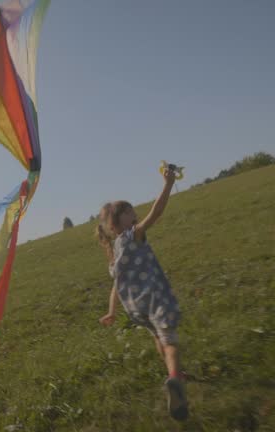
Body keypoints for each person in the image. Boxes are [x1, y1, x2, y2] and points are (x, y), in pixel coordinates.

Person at [95, 168, 189, 421]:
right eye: (128, 212)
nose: (134, 213)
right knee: (170, 341)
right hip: (155, 298)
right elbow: (156, 212)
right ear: (117, 224)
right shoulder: (134, 235)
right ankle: (175, 378)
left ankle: (174, 373)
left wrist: (112, 311)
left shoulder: (116, 251)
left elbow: (116, 286)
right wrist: (168, 184)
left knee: (157, 336)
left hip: (135, 308)